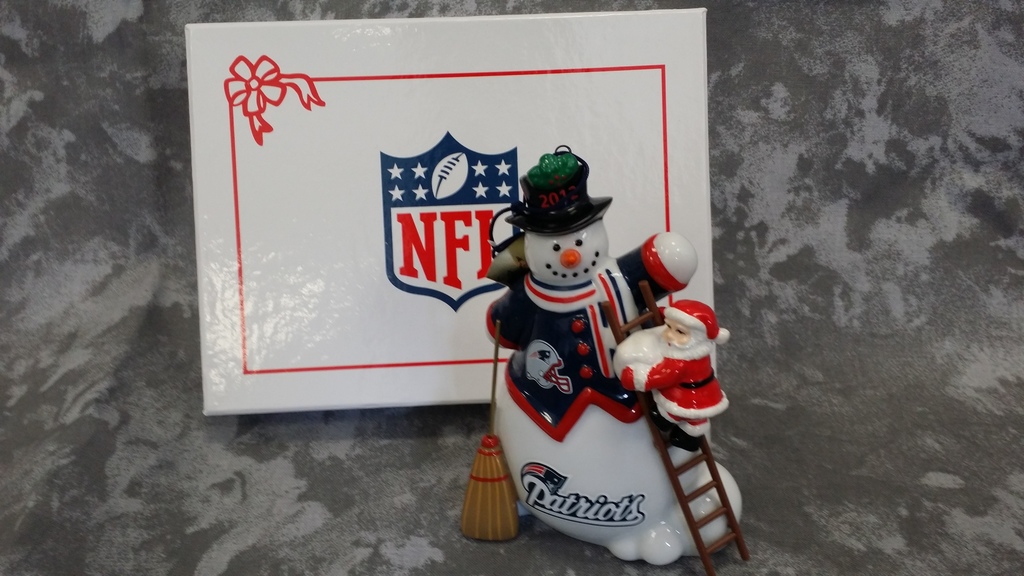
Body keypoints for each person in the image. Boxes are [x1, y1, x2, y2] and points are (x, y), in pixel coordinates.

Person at [612, 299, 730, 451]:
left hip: (687, 397)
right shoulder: (699, 350)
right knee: (695, 418)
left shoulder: (679, 362)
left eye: (680, 332)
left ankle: (676, 428)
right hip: (704, 392)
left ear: (697, 337)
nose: (669, 335)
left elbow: (661, 377)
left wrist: (636, 378)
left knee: (672, 413)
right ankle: (688, 435)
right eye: (668, 327)